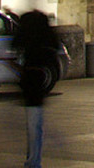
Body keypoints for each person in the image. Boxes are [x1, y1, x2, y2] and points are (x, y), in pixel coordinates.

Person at [13, 10, 62, 168]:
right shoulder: (45, 40)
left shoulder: (31, 40)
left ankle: (33, 162)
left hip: (31, 83)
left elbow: (16, 43)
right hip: (36, 83)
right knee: (35, 125)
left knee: (34, 125)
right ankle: (33, 160)